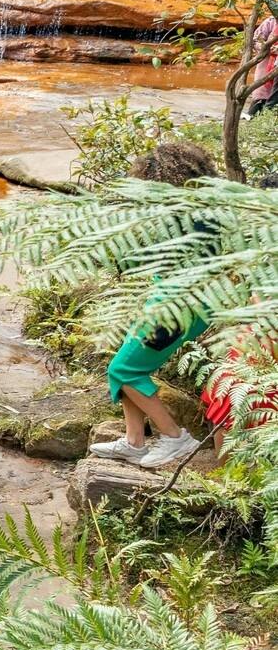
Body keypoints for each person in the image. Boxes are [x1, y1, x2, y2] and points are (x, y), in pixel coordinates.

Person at [89, 139, 217, 469]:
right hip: (175, 301)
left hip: (180, 306)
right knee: (130, 363)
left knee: (123, 369)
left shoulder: (194, 215)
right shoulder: (203, 207)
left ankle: (175, 438)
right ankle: (134, 442)